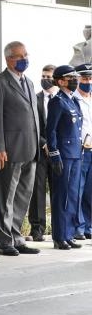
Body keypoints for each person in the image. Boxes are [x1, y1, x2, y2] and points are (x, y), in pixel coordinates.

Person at [0, 41, 40, 256]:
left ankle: (17, 237)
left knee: (22, 198)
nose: (24, 59)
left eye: (25, 54)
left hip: (30, 149)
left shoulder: (29, 82)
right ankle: (5, 241)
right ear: (8, 58)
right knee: (5, 199)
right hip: (9, 150)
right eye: (19, 56)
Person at [46, 65, 83, 249]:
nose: (74, 80)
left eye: (75, 76)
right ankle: (59, 236)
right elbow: (51, 131)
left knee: (73, 196)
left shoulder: (73, 101)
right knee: (62, 196)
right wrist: (54, 155)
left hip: (76, 153)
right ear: (60, 81)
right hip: (64, 155)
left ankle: (68, 234)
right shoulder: (57, 101)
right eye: (70, 77)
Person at [28, 64, 57, 241]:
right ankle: (37, 229)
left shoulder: (62, 99)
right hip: (39, 151)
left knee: (58, 190)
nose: (45, 79)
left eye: (49, 77)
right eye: (43, 76)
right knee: (37, 191)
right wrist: (44, 143)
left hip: (58, 153)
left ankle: (60, 229)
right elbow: (32, 126)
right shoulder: (34, 98)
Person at [74, 63, 92, 239]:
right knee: (77, 191)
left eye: (89, 78)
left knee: (90, 192)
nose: (88, 81)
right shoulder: (73, 99)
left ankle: (89, 226)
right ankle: (78, 227)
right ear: (78, 79)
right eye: (84, 78)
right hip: (80, 151)